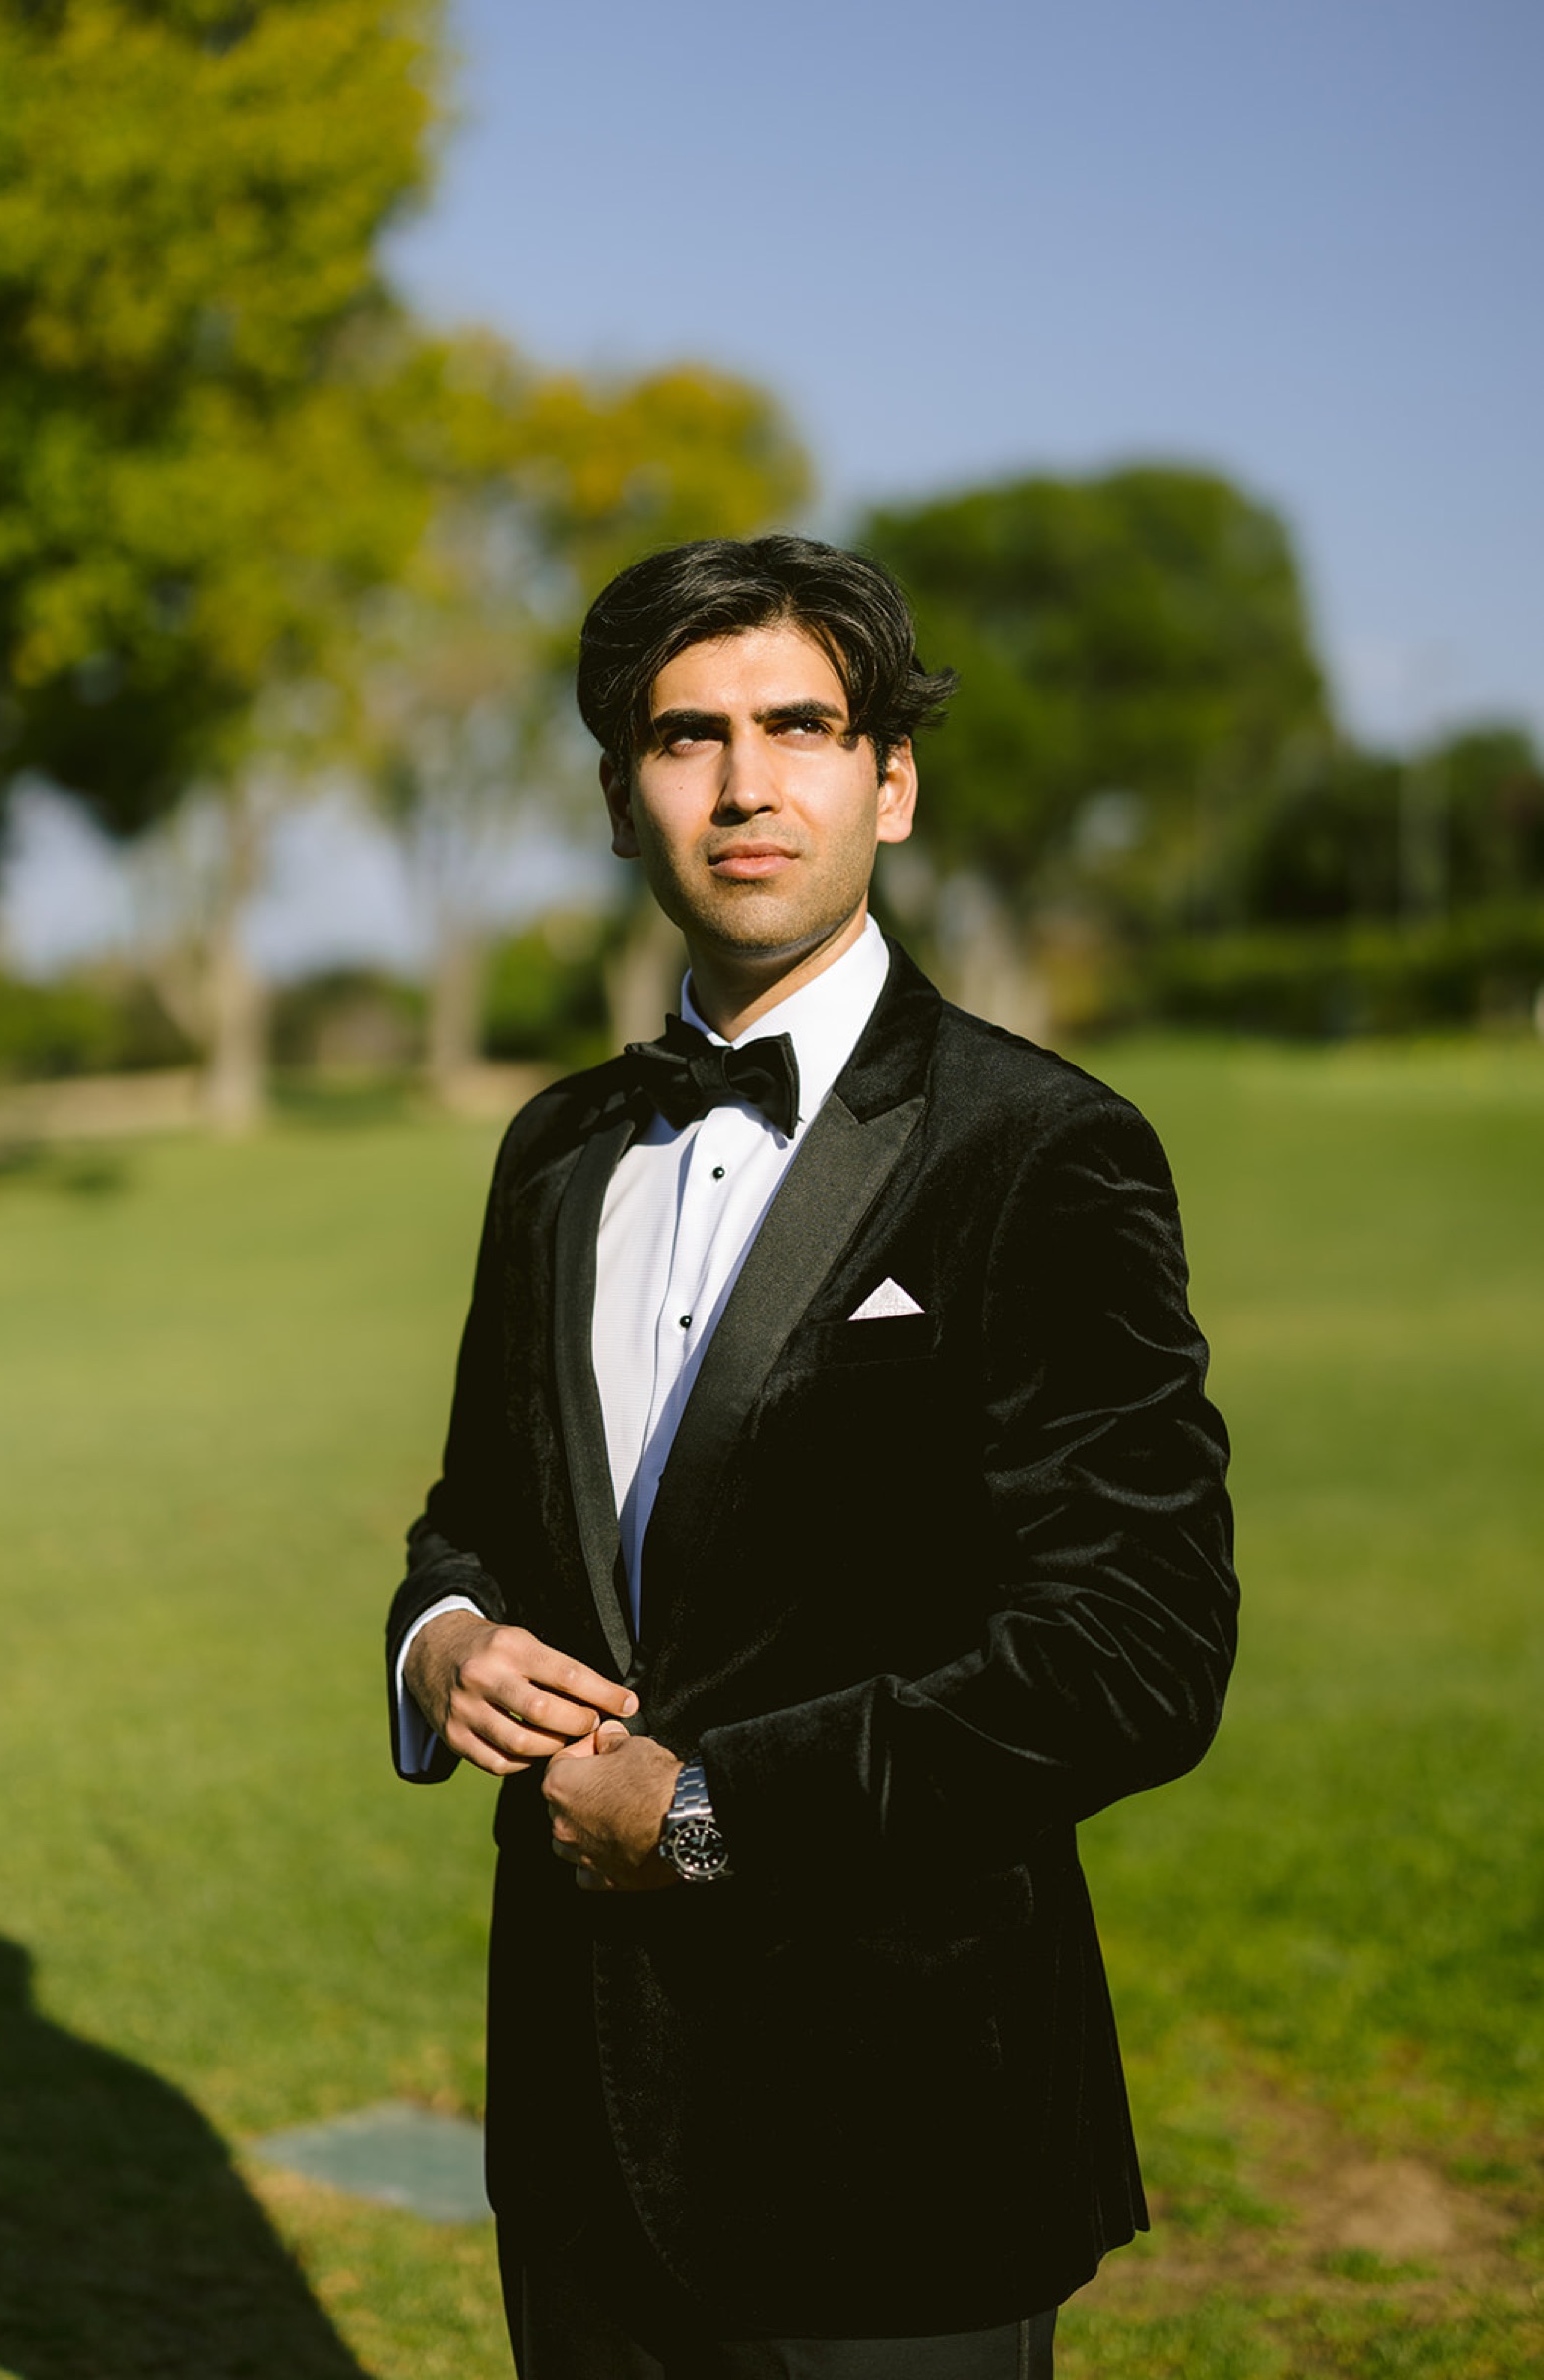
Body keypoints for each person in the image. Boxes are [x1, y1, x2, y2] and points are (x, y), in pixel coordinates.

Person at [386, 534, 1238, 2378]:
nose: (747, 782)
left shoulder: (1041, 1151)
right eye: (687, 739)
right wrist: (440, 1644)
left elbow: (1138, 1657)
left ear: (892, 780)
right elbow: (471, 1521)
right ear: (624, 801)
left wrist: (708, 1809)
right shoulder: (549, 1154)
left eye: (803, 727)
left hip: (901, 2126)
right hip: (580, 2117)